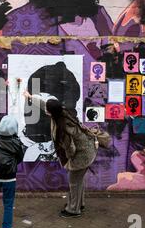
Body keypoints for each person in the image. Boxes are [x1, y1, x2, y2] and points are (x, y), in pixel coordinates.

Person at [24, 90, 98, 218]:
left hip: (81, 155)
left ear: (50, 112)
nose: (45, 109)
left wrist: (69, 161)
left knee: (73, 182)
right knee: (78, 181)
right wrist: (30, 97)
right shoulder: (61, 112)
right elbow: (44, 104)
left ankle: (73, 210)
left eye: (47, 109)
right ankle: (79, 204)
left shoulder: (62, 128)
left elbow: (71, 149)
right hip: (88, 150)